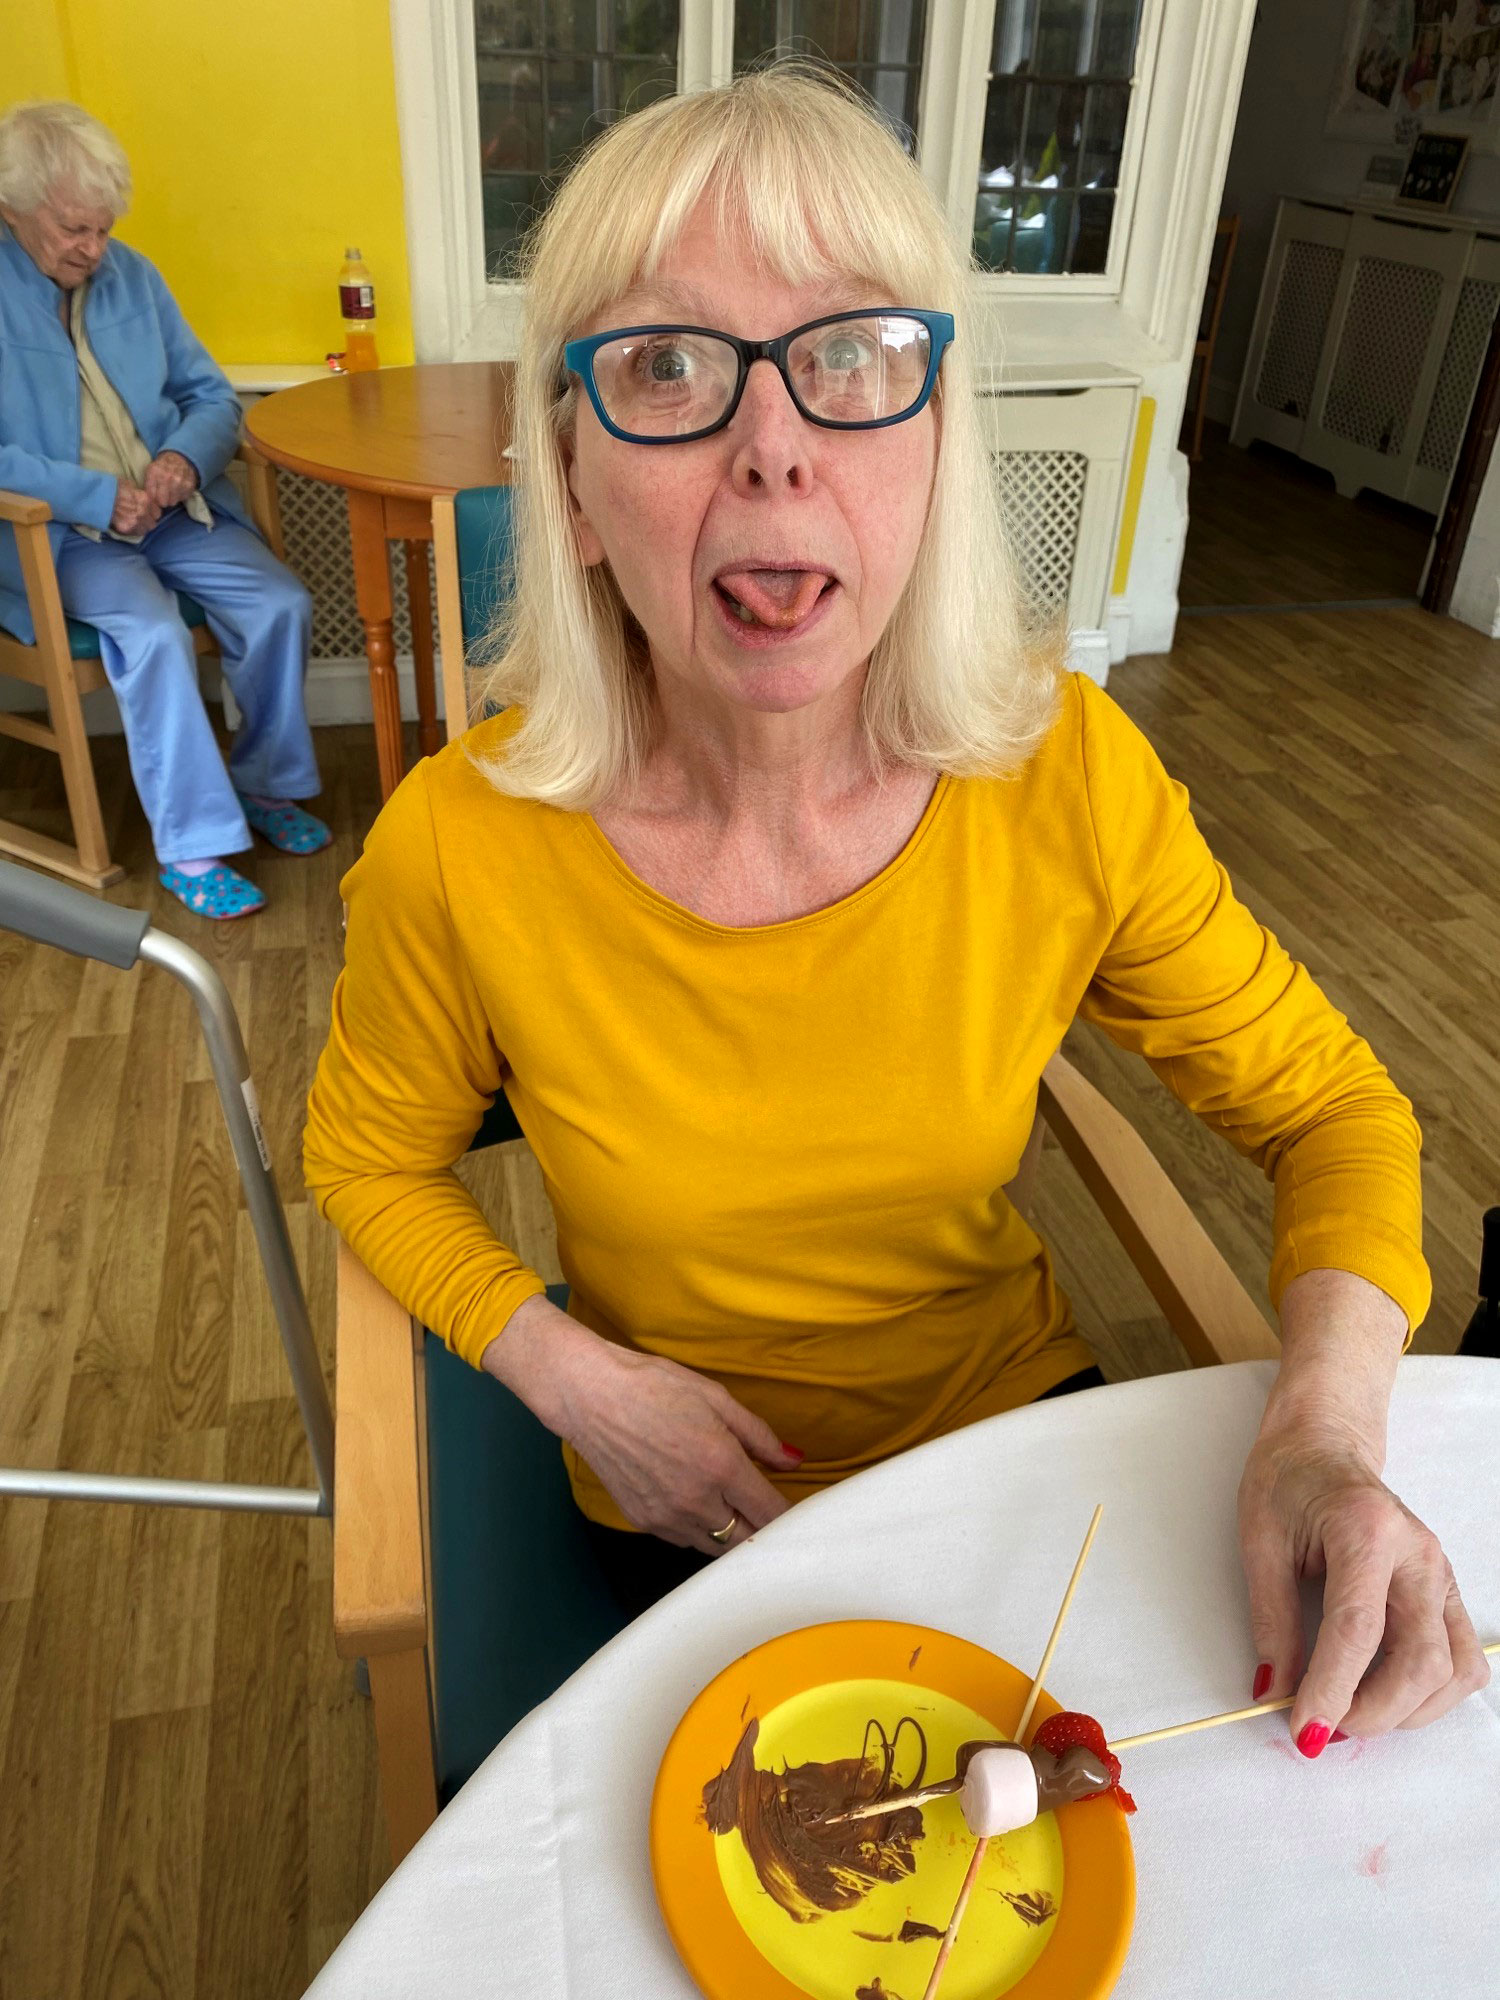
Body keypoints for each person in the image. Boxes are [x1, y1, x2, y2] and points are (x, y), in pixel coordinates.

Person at [304, 67, 1487, 1753]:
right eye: (667, 367)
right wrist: (577, 1381)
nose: (774, 449)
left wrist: (1324, 1432)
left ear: (934, 447)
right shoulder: (458, 846)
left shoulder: (1066, 780)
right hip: (680, 1504)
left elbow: (1336, 1109)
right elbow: (366, 1157)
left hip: (1013, 1450)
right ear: (568, 485)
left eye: (853, 355)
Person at [0, 101, 329, 919]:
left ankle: (264, 784)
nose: (94, 248)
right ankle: (192, 843)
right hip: (62, 534)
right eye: (74, 229)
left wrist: (184, 457)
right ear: (12, 207)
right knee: (150, 636)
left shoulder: (134, 276)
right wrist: (93, 495)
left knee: (280, 603)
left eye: (104, 228)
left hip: (175, 513)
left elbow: (209, 395)